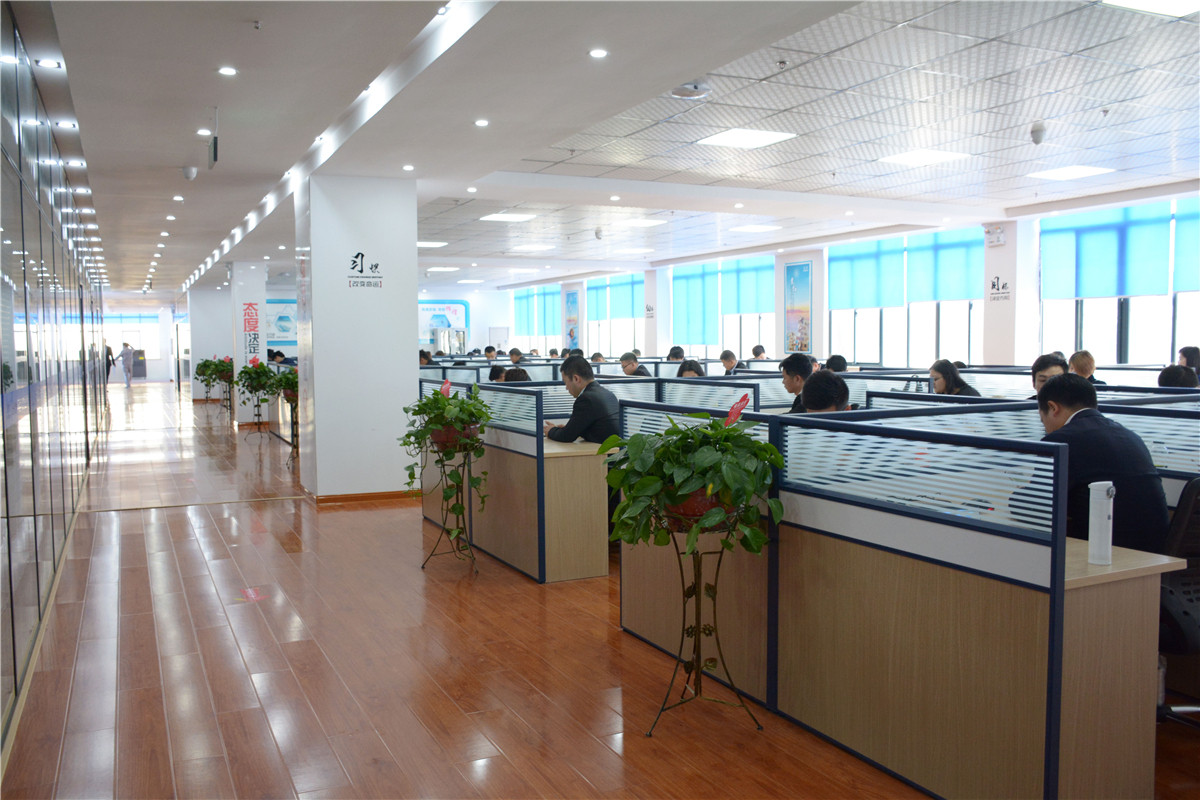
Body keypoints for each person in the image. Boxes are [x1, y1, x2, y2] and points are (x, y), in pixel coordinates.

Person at [1038, 374, 1169, 554]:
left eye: (1042, 419)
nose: (1045, 428)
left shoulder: (1061, 440)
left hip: (1107, 554)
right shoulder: (1128, 435)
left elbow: (1035, 505)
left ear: (1053, 407)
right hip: (1155, 551)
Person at [544, 356, 619, 444]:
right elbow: (598, 428)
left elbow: (566, 436)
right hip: (617, 448)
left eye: (565, 382)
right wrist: (568, 429)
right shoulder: (607, 393)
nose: (566, 387)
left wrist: (550, 431)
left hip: (607, 451)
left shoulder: (586, 399)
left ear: (576, 379)